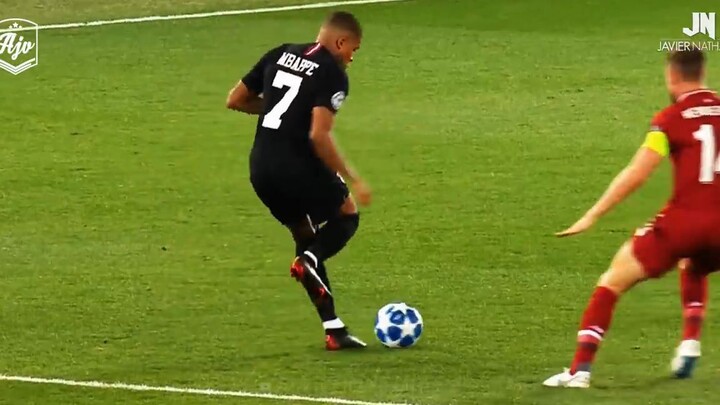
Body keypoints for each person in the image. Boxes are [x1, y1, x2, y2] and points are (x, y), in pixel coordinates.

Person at [544, 49, 720, 388]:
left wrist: (592, 215)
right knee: (695, 264)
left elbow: (637, 173)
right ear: (702, 72)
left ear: (672, 76)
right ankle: (690, 343)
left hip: (683, 224)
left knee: (612, 281)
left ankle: (579, 371)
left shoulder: (670, 119)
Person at [226, 11, 372, 351]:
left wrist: (278, 109)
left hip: (261, 169)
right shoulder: (332, 73)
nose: (352, 57)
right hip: (298, 166)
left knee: (306, 236)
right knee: (346, 214)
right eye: (353, 49)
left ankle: (333, 329)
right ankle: (309, 262)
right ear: (340, 41)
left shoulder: (281, 53)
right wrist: (354, 177)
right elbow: (319, 136)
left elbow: (235, 100)